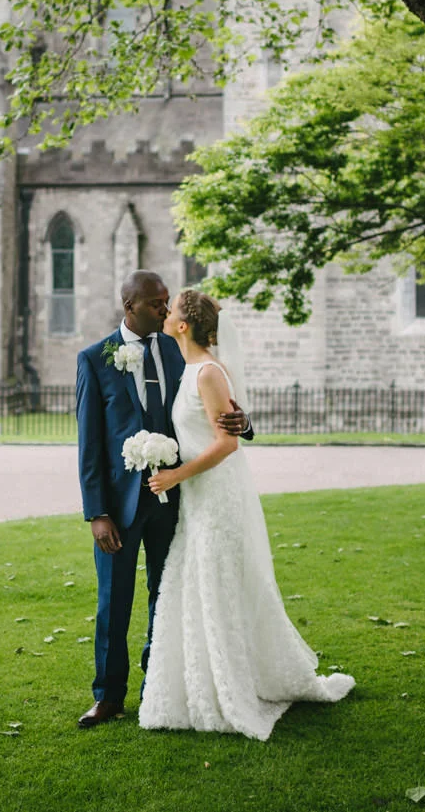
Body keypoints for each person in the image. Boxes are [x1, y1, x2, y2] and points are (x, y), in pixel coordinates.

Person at [139, 289, 354, 741]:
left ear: (183, 324)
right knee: (196, 582)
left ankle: (233, 690)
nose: (166, 310)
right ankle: (200, 685)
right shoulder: (189, 366)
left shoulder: (210, 372)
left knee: (216, 584)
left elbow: (227, 443)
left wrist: (176, 475)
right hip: (198, 498)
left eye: (172, 308)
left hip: (215, 494)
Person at [73, 271, 251, 729]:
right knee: (113, 599)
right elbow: (89, 444)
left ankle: (158, 683)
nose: (164, 309)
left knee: (165, 594)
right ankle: (109, 696)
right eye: (156, 303)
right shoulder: (95, 360)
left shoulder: (180, 350)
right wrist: (97, 512)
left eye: (167, 302)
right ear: (129, 306)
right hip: (118, 505)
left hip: (175, 499)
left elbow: (209, 407)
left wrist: (241, 421)